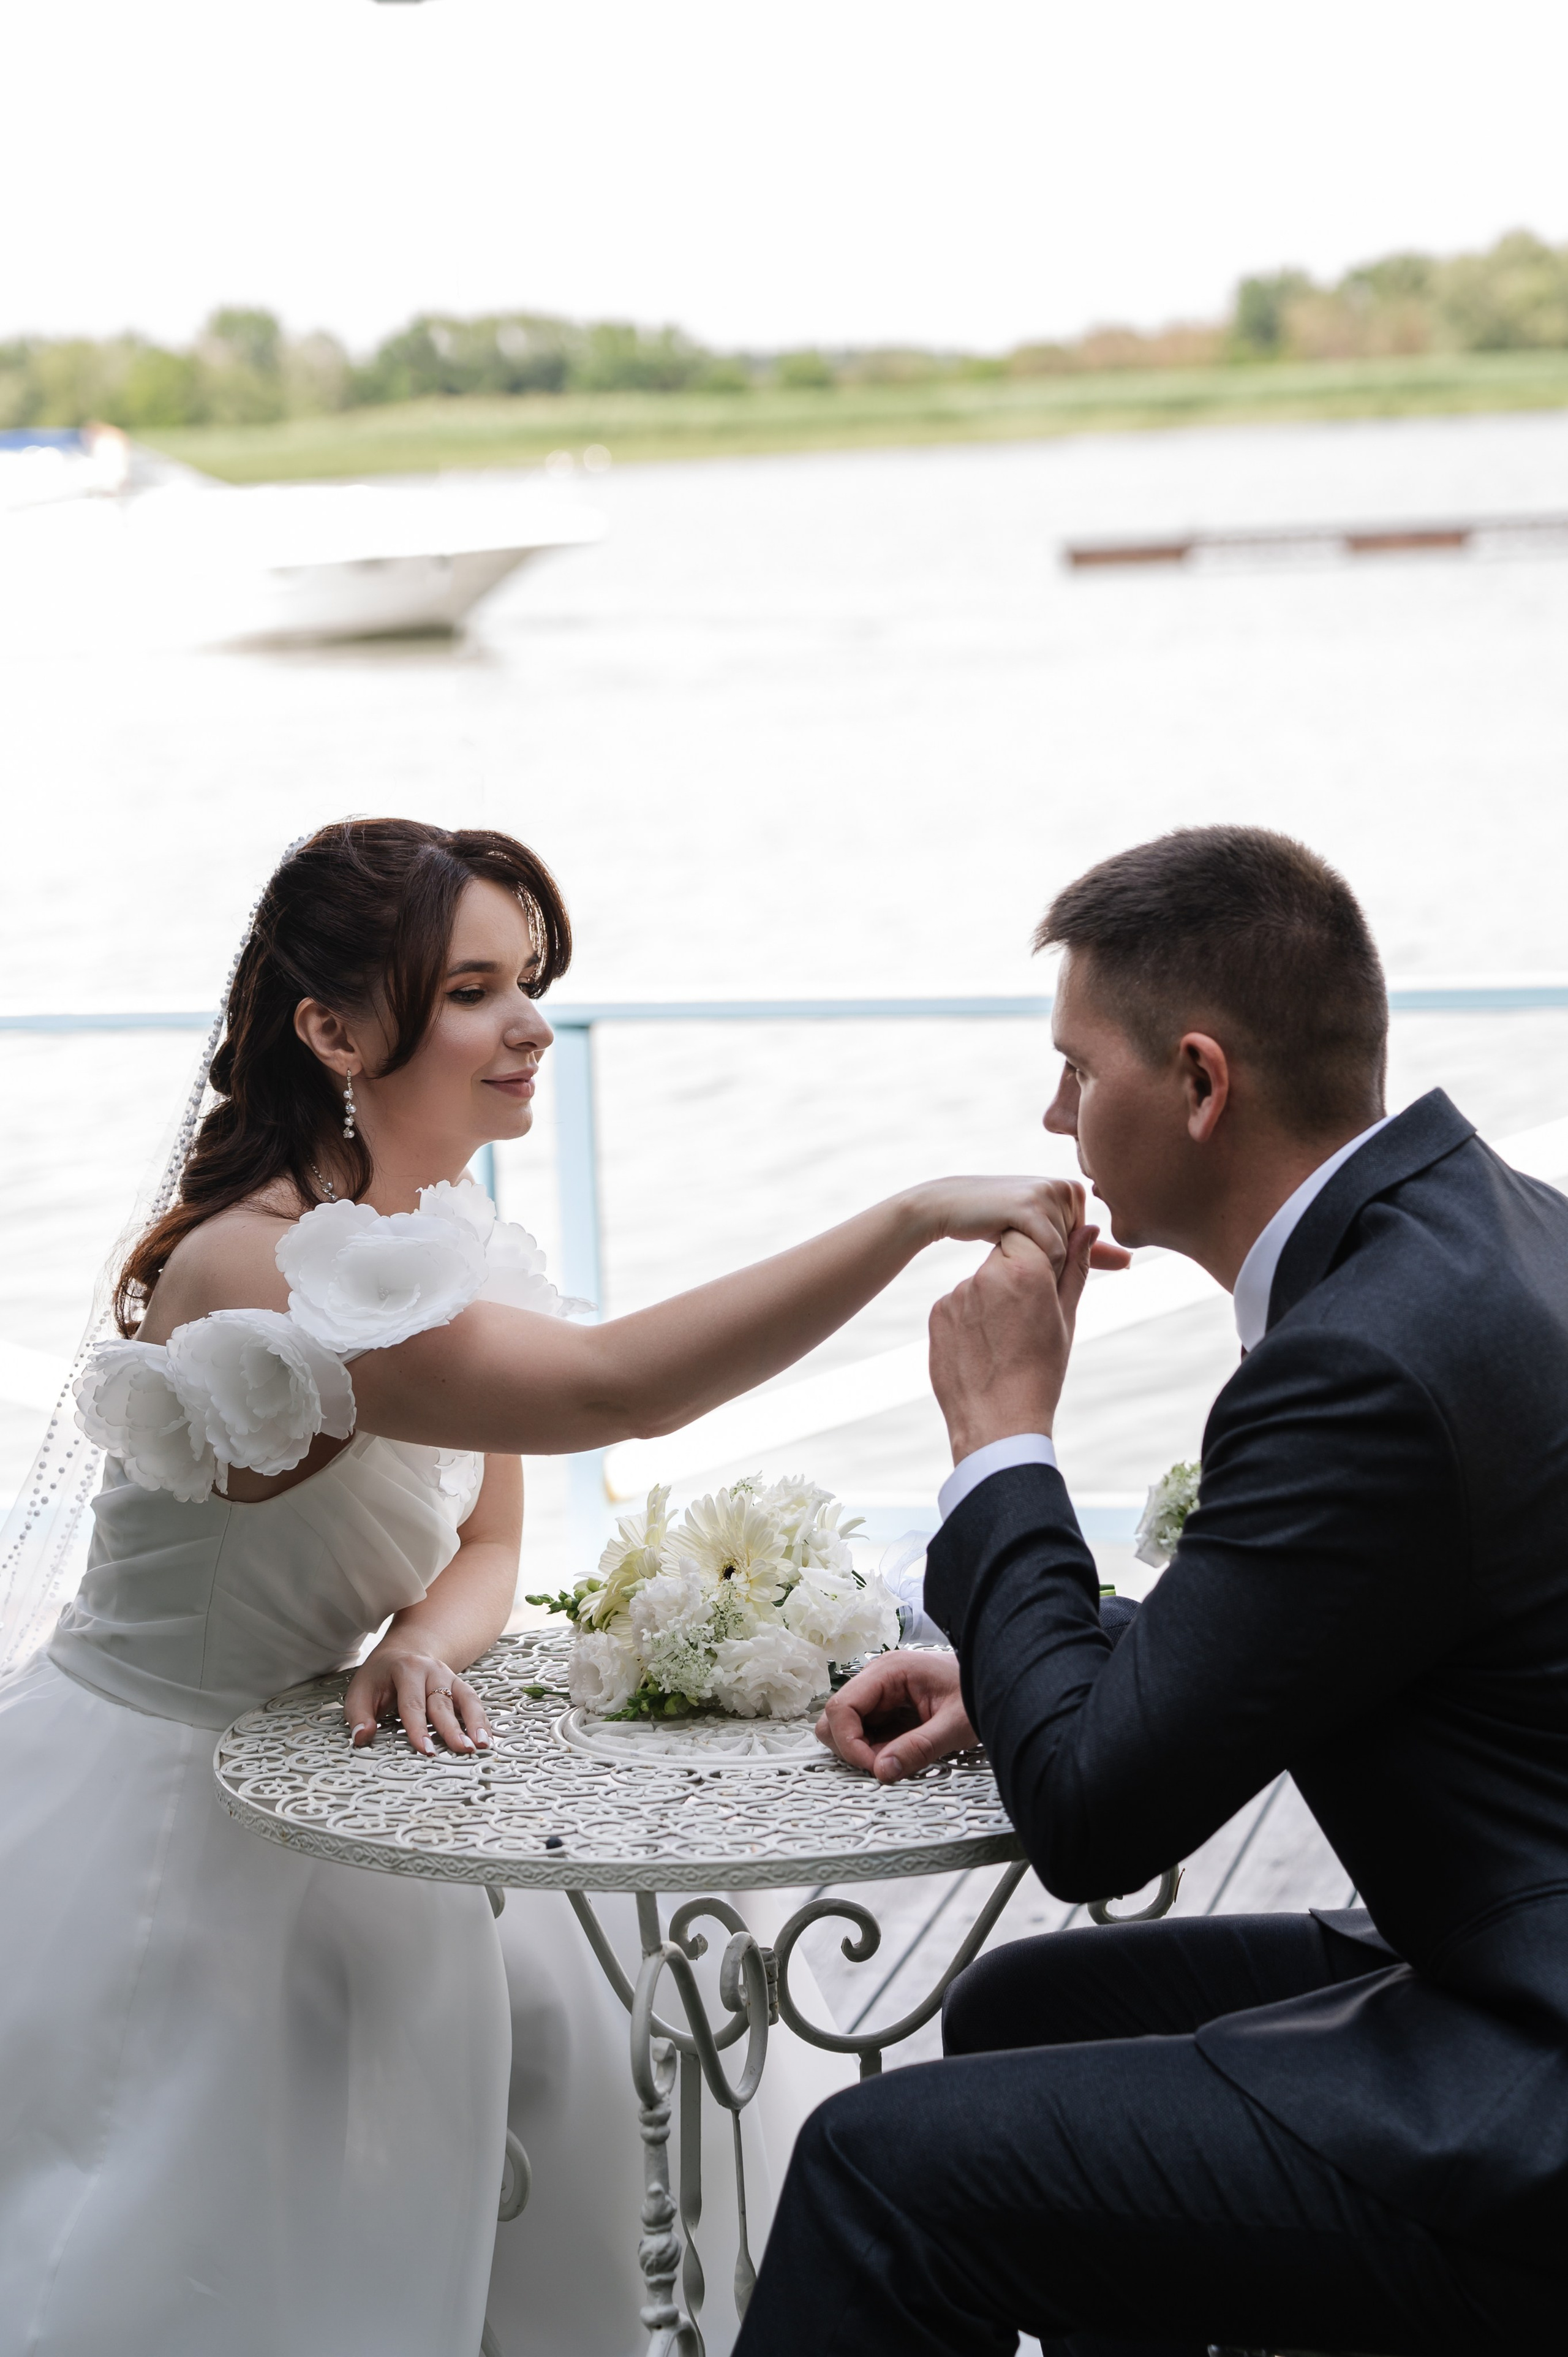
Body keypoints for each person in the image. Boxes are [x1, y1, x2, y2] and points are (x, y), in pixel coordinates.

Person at [0, 818, 1098, 2357]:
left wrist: (419, 1644)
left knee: (594, 2045)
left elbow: (488, 1544)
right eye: (471, 991)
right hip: (170, 1812)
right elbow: (605, 1395)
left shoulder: (447, 1245)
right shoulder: (251, 1270)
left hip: (351, 1776)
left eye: (533, 980)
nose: (529, 1027)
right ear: (332, 1029)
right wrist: (911, 1214)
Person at [741, 825, 1568, 2357]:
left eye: (1073, 1070)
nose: (1051, 1115)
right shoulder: (1488, 1226)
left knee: (875, 2174)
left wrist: (1000, 1442)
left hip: (1525, 2073)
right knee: (1020, 2014)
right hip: (1504, 1929)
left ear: (1197, 1083)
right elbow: (1377, 1621)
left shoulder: (1359, 1359)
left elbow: (1092, 1820)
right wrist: (1043, 1658)